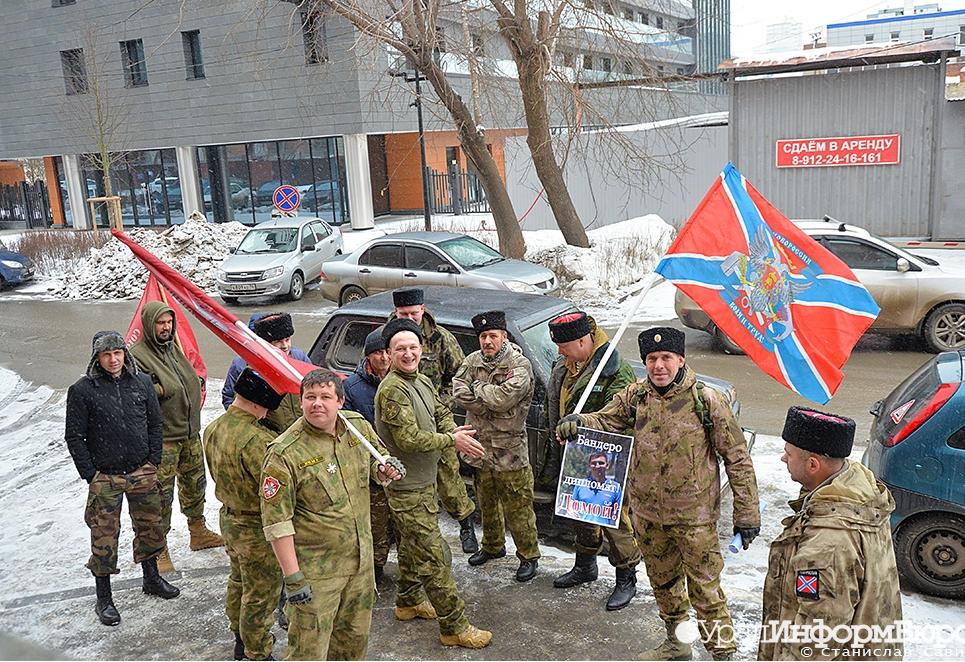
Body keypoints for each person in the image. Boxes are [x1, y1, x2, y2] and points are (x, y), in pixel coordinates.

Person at [558, 327, 760, 661]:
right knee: (665, 586)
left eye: (666, 358)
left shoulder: (706, 399)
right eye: (652, 359)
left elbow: (737, 457)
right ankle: (678, 644)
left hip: (695, 520)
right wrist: (579, 422)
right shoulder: (636, 396)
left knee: (706, 591)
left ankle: (723, 653)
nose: (659, 366)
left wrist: (747, 514)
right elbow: (605, 421)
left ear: (680, 359)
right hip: (649, 517)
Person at [261, 368, 402, 660]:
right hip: (316, 577)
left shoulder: (357, 428)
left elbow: (377, 464)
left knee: (352, 646)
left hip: (360, 568)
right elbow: (277, 523)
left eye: (326, 397)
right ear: (300, 402)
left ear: (340, 401)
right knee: (308, 653)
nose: (317, 403)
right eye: (310, 397)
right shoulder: (285, 453)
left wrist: (385, 469)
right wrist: (293, 577)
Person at [374, 319, 493, 649]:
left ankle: (408, 601)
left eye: (413, 347)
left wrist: (451, 431)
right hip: (407, 487)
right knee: (434, 556)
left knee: (413, 547)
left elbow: (441, 411)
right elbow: (408, 439)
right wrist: (449, 440)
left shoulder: (422, 381)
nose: (408, 353)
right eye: (400, 349)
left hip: (424, 482)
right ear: (388, 354)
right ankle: (454, 625)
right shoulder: (393, 390)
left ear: (421, 350)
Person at [758, 407, 903, 660]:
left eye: (788, 453)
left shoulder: (828, 543)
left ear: (813, 464)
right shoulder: (857, 490)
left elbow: (817, 638)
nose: (783, 458)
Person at [65, 331, 180, 627]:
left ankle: (152, 578)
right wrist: (91, 474)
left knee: (150, 528)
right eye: (106, 355)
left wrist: (153, 461)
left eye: (117, 353)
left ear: (125, 354)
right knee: (103, 538)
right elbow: (74, 436)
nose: (113, 360)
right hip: (106, 476)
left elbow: (155, 423)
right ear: (97, 358)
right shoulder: (82, 390)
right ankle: (104, 597)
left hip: (142, 470)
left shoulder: (141, 383)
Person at [540, 311, 642, 612]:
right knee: (581, 512)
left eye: (565, 345)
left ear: (583, 341)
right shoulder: (569, 364)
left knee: (613, 520)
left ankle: (627, 577)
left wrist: (581, 424)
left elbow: (622, 419)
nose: (559, 351)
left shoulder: (615, 372)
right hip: (575, 454)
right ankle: (585, 566)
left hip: (606, 458)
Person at [129, 301, 223, 573]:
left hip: (189, 432)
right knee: (161, 496)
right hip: (164, 438)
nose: (166, 327)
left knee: (195, 485)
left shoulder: (174, 348)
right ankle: (159, 549)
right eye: (160, 323)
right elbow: (138, 393)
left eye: (169, 322)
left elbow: (185, 378)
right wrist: (166, 389)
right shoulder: (138, 355)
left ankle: (198, 531)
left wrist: (193, 383)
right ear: (149, 324)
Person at [389, 287, 479, 554]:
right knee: (405, 475)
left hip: (438, 416)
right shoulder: (387, 337)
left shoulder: (441, 338)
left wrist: (439, 402)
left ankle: (465, 524)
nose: (410, 318)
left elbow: (461, 377)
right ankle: (404, 532)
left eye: (414, 313)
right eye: (404, 313)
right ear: (396, 312)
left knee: (449, 475)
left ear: (423, 309)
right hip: (402, 414)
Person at [452, 310, 539, 582]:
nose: (487, 341)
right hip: (480, 447)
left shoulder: (519, 365)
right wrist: (485, 395)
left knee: (518, 505)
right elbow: (457, 390)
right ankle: (492, 546)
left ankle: (528, 556)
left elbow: (504, 400)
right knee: (486, 501)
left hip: (509, 448)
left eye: (493, 336)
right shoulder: (472, 360)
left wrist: (477, 390)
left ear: (504, 336)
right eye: (483, 336)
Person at [204, 368, 285, 661]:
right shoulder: (256, 440)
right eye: (265, 406)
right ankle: (257, 651)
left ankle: (240, 637)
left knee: (239, 580)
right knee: (262, 592)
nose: (265, 413)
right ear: (256, 402)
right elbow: (273, 490)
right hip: (256, 526)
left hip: (229, 518)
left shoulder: (214, 427)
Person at [342, 329, 394, 581]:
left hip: (400, 462)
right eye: (377, 353)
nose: (384, 358)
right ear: (368, 356)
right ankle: (376, 567)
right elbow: (348, 431)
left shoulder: (402, 378)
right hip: (370, 467)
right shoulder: (352, 387)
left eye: (387, 352)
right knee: (377, 522)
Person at [222, 312, 313, 434]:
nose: (285, 346)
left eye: (287, 339)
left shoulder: (299, 357)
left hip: (300, 431)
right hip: (269, 434)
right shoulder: (243, 364)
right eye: (278, 341)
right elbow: (230, 398)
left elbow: (313, 386)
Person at [568, 452, 622, 528]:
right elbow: (571, 505)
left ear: (607, 465)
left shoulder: (616, 488)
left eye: (601, 463)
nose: (597, 466)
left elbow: (618, 513)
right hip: (583, 530)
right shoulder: (580, 484)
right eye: (593, 463)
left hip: (605, 532)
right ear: (589, 465)